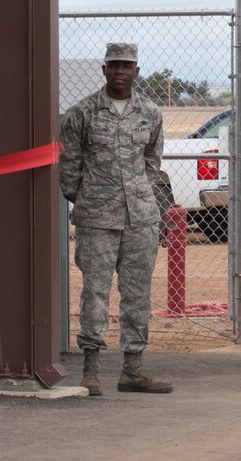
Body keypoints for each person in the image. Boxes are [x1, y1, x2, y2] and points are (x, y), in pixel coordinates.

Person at [60, 41, 175, 396]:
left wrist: (140, 196)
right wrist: (88, 198)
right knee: (95, 292)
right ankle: (91, 369)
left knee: (138, 293)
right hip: (97, 217)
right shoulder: (82, 114)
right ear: (104, 69)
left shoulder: (151, 113)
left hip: (140, 218)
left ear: (137, 71)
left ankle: (133, 369)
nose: (120, 72)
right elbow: (69, 167)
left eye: (127, 66)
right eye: (114, 65)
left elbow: (152, 163)